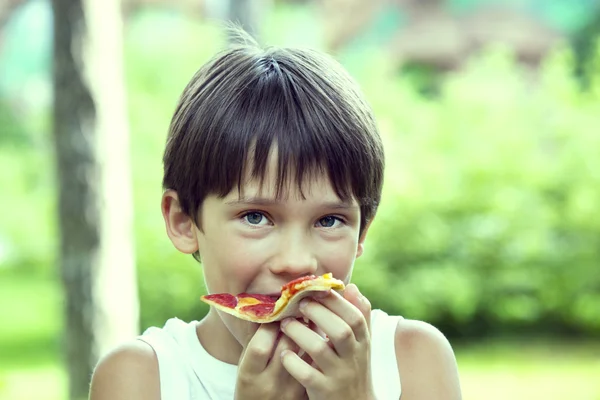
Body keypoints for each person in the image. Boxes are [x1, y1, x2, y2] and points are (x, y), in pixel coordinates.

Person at [89, 27, 462, 400]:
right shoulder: (141, 377)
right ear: (184, 221)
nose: (296, 263)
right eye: (256, 217)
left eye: (329, 220)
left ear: (362, 230)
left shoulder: (412, 359)